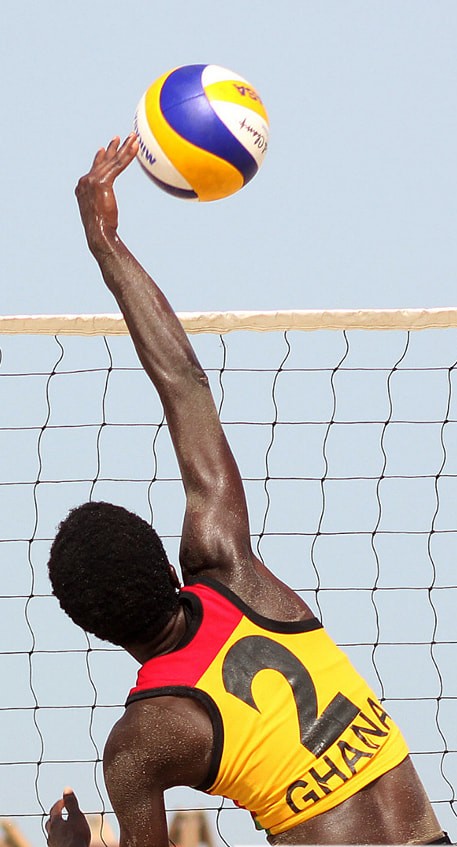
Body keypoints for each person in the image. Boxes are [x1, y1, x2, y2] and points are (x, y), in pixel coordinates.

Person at [46, 134, 449, 847]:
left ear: (94, 630)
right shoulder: (232, 570)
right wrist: (105, 242)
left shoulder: (141, 741)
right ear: (166, 564)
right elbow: (184, 383)